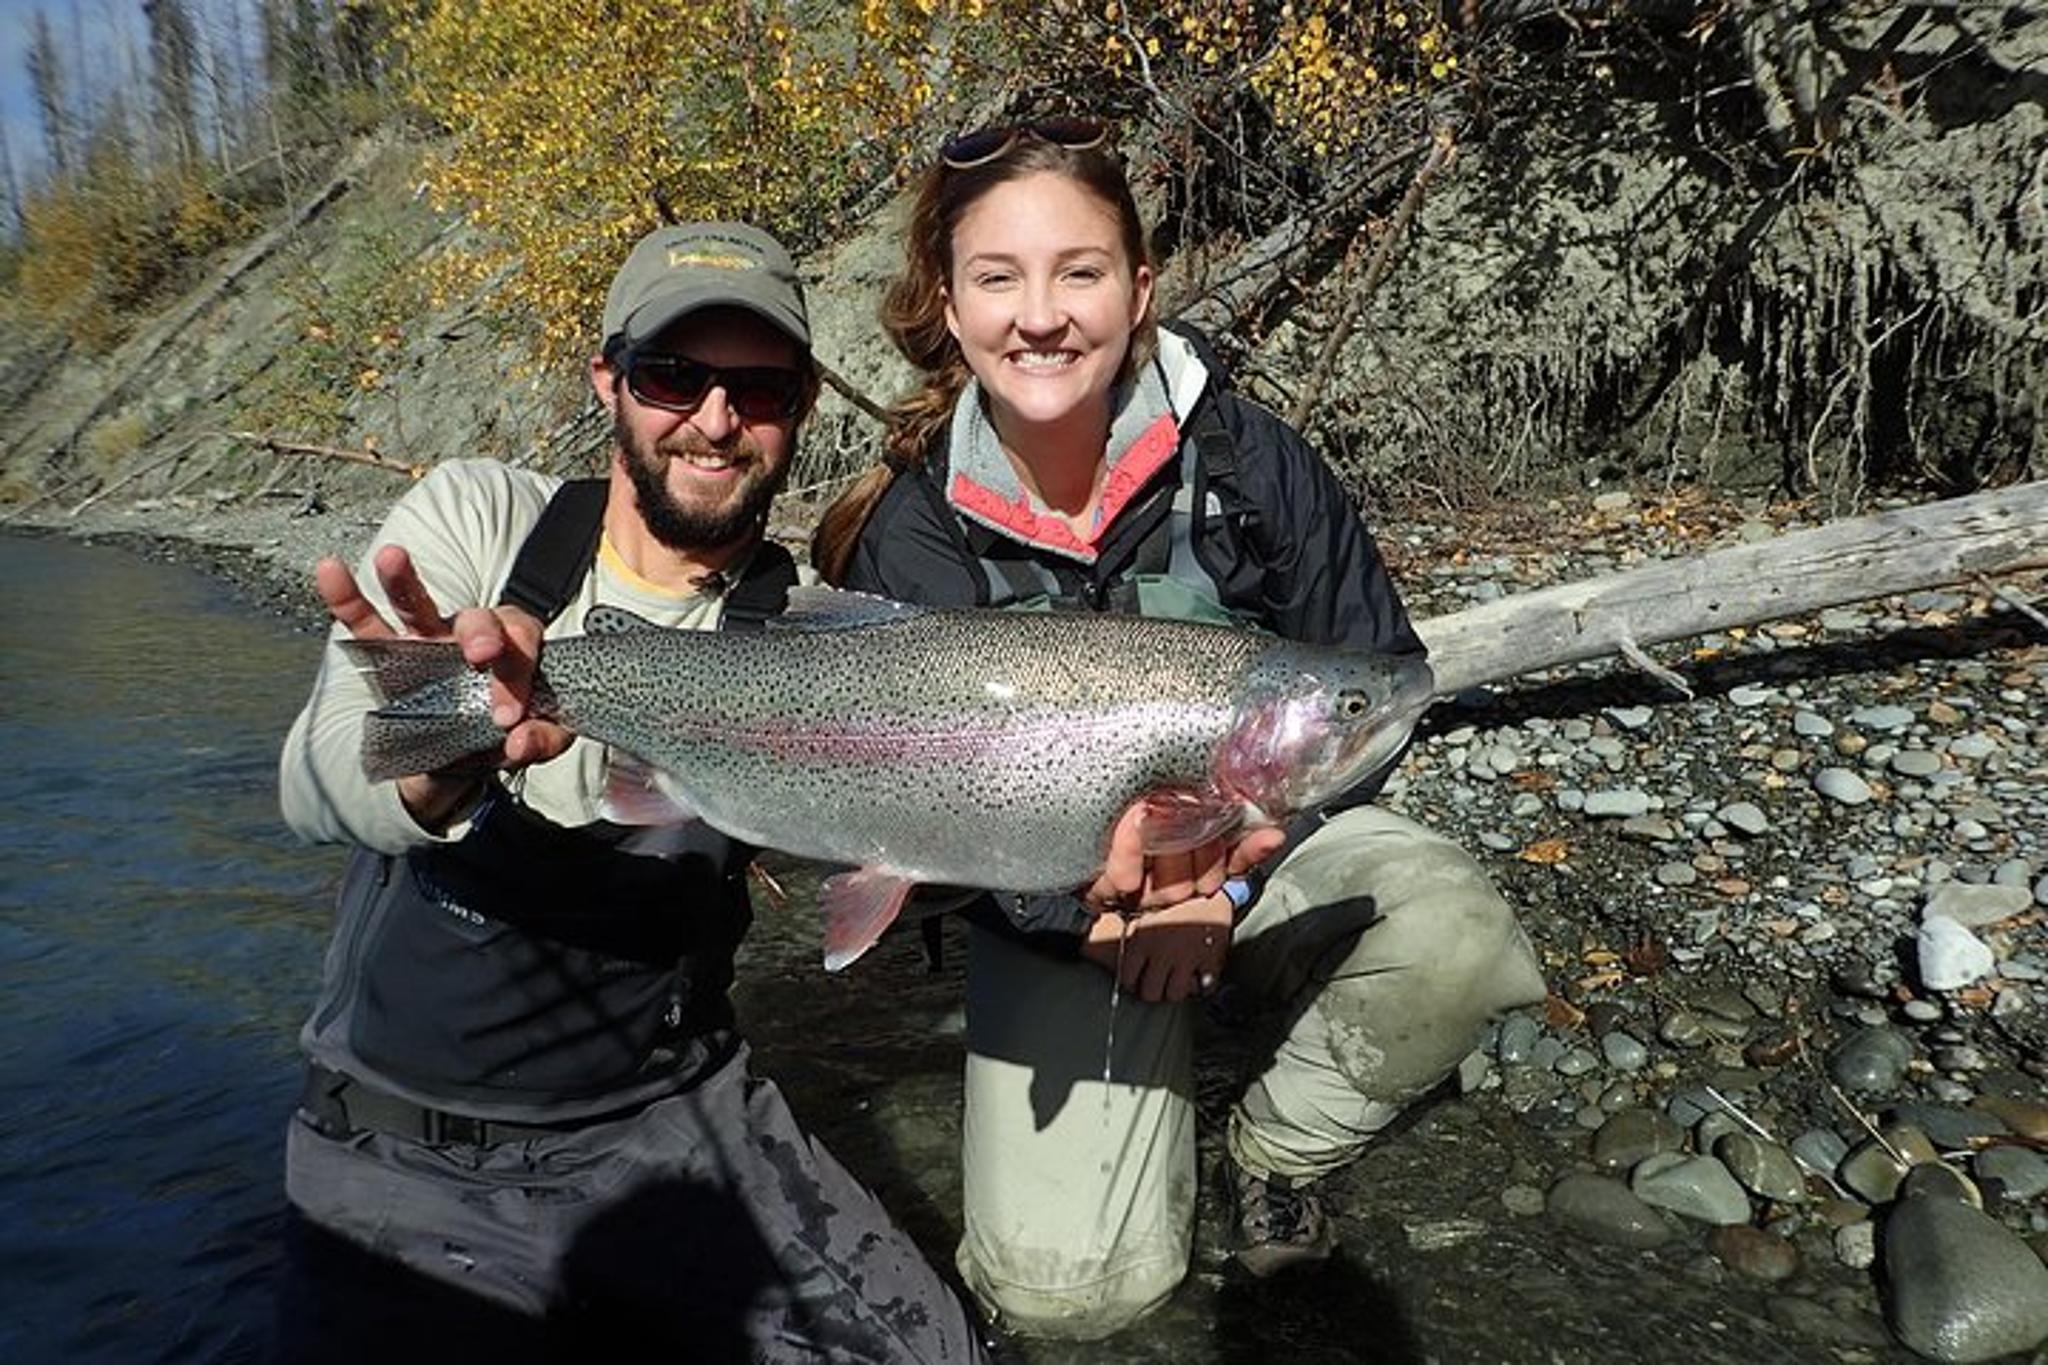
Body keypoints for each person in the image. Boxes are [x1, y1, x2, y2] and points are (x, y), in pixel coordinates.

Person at [809, 122, 1550, 1341]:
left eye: (1079, 271)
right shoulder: (913, 530)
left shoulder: (1249, 460)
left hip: (1266, 839)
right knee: (1069, 1300)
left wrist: (1231, 886)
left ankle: (1275, 1144)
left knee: (1455, 936)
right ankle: (1174, 1050)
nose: (1039, 316)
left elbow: (1383, 679)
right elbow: (923, 810)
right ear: (946, 304)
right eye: (997, 278)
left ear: (1140, 288)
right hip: (1043, 897)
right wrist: (1095, 916)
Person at [275, 222, 989, 1363]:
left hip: (679, 1119)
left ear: (801, 404)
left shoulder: (808, 631)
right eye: (674, 375)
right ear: (606, 378)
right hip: (407, 1153)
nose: (714, 419)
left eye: (756, 388)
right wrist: (447, 735)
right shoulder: (481, 523)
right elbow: (313, 778)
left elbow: (887, 861)